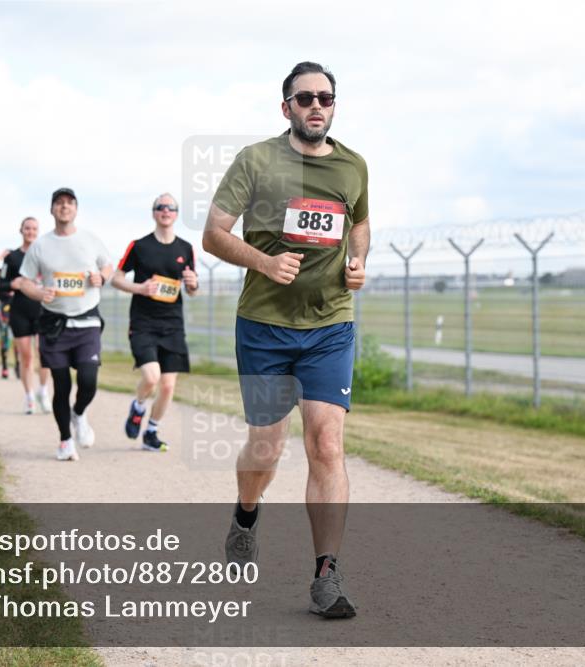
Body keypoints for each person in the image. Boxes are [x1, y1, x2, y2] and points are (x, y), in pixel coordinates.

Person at [202, 62, 370, 619]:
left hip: (330, 325)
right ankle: (246, 513)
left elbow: (360, 223)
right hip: (266, 326)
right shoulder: (257, 160)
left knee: (326, 443)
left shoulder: (353, 166)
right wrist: (265, 261)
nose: (315, 106)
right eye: (304, 99)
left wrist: (358, 260)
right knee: (267, 445)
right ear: (286, 108)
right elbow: (213, 234)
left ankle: (327, 573)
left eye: (325, 98)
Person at [12, 188, 113, 462]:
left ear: (76, 209)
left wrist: (101, 279)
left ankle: (79, 414)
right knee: (61, 384)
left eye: (69, 203)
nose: (64, 207)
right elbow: (24, 281)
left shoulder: (90, 240)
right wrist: (38, 292)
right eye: (59, 203)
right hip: (54, 324)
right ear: (52, 210)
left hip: (87, 320)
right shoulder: (40, 245)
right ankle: (65, 441)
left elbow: (108, 266)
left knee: (89, 380)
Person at [112, 193, 198, 452]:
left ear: (176, 214)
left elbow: (192, 287)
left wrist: (193, 285)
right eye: (161, 207)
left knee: (168, 385)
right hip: (143, 322)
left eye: (170, 207)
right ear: (154, 212)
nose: (166, 211)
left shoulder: (185, 248)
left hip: (172, 323)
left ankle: (151, 431)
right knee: (151, 378)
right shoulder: (139, 246)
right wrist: (140, 288)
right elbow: (116, 278)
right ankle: (138, 406)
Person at [0, 218, 52, 409]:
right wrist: (12, 284)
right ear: (21, 230)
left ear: (38, 231)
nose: (30, 232)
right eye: (27, 228)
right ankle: (29, 396)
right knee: (27, 357)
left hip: (42, 310)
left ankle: (43, 391)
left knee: (45, 354)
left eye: (34, 229)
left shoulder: (45, 255)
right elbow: (1, 283)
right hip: (20, 310)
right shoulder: (12, 257)